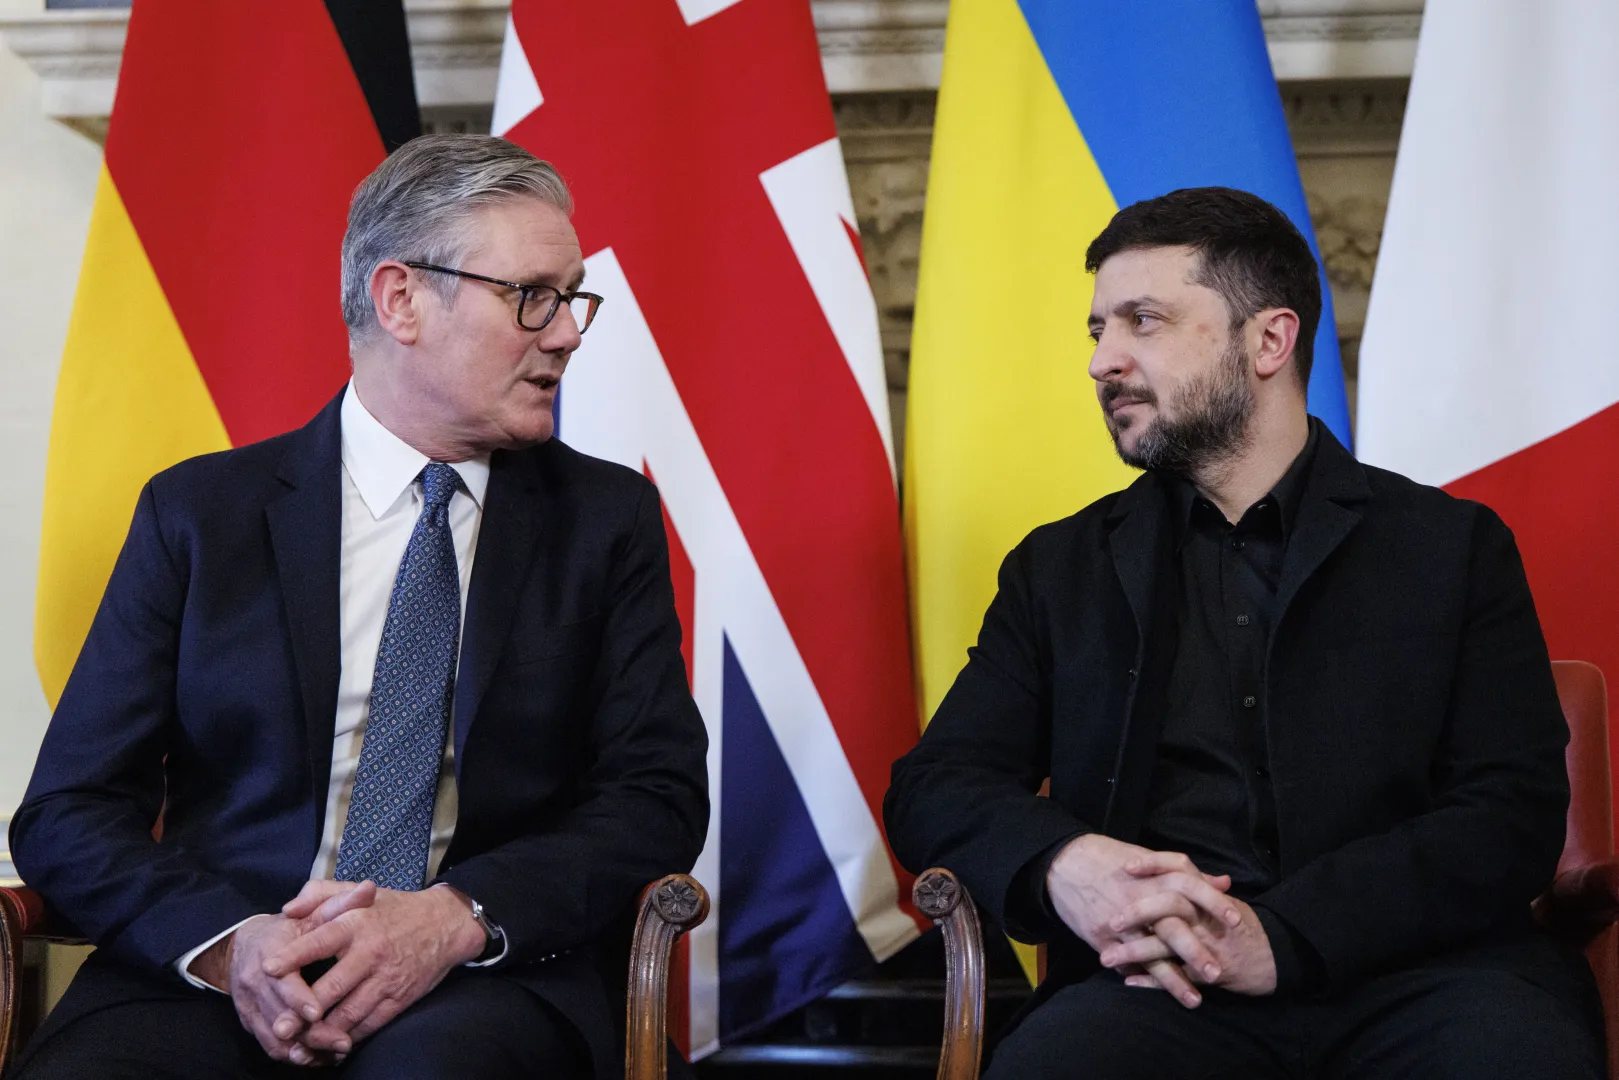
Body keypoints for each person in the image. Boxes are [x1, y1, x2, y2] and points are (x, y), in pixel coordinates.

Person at [8, 134, 708, 1079]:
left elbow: (652, 796)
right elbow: (68, 809)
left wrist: (450, 919)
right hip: (219, 969)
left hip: (478, 977)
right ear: (400, 299)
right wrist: (228, 944)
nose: (568, 332)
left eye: (570, 296)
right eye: (530, 297)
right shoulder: (202, 515)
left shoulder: (605, 521)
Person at [884, 187, 1603, 1079]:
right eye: (1097, 329)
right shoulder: (1057, 569)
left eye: (1142, 321)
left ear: (1268, 340)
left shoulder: (1449, 547)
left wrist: (1288, 936)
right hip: (1155, 993)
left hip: (1429, 982)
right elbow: (934, 784)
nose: (1103, 360)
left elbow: (1510, 812)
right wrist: (1063, 861)